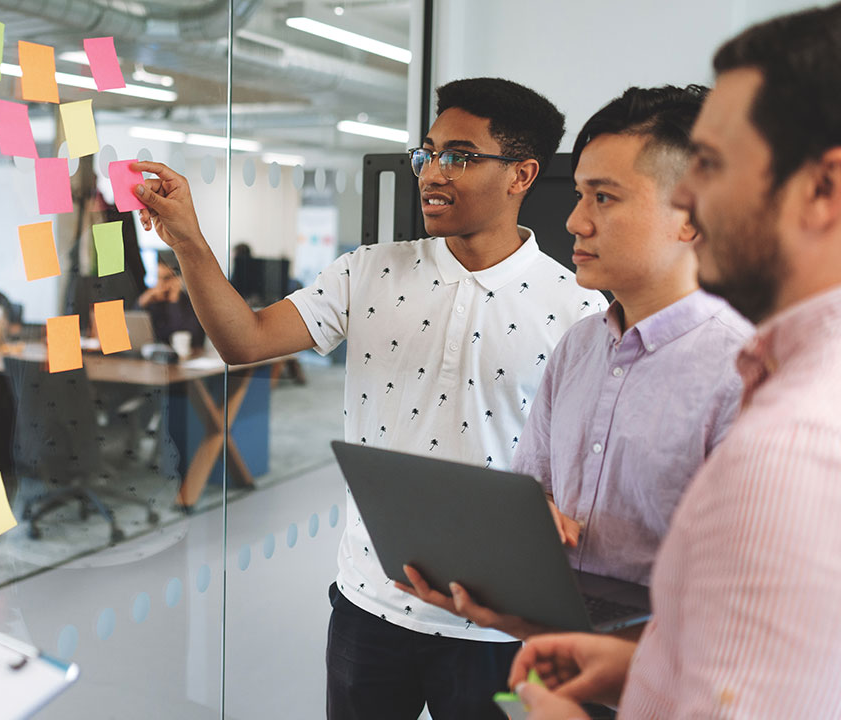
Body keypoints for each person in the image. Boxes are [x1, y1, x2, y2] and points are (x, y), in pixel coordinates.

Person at [132, 77, 608, 719]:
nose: (433, 172)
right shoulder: (368, 271)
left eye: (460, 157)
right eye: (429, 153)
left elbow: (582, 475)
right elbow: (244, 340)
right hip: (371, 602)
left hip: (496, 626)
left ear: (521, 173)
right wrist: (188, 237)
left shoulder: (579, 309)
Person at [506, 4, 841, 718]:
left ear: (821, 189)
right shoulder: (780, 383)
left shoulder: (794, 446)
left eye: (715, 166)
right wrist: (640, 667)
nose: (691, 194)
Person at [396, 86, 753, 642]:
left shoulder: (748, 375)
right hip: (559, 654)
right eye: (580, 195)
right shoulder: (581, 346)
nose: (575, 222)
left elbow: (755, 601)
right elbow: (533, 491)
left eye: (604, 198)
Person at [137, 253, 205, 351]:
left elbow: (192, 338)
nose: (160, 284)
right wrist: (141, 303)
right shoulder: (154, 301)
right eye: (158, 278)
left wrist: (174, 301)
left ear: (178, 279)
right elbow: (143, 333)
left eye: (166, 278)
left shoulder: (191, 302)